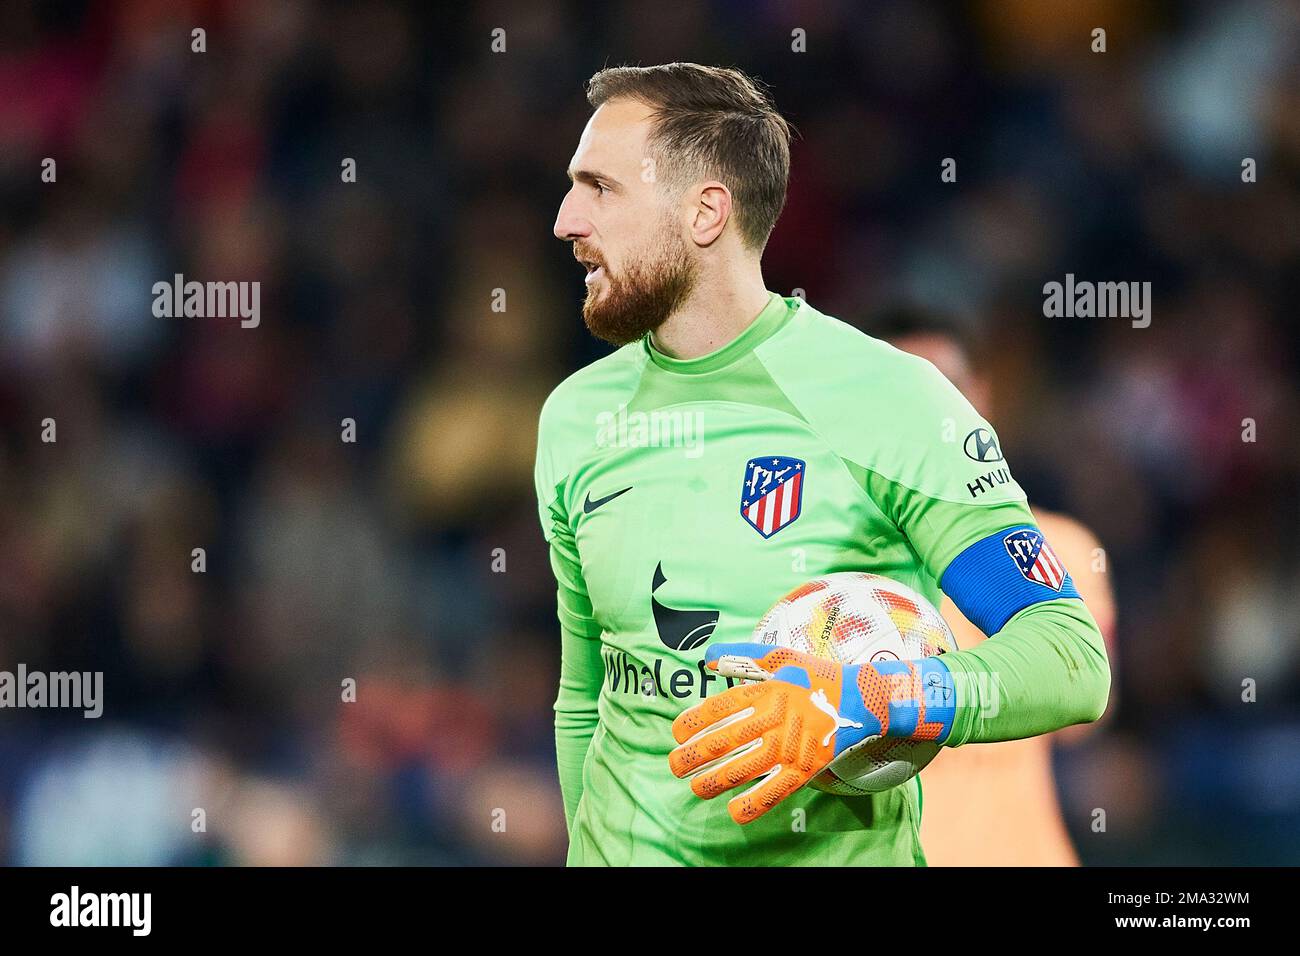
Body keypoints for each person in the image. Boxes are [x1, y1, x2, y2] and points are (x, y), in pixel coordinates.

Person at [535, 62, 1110, 866]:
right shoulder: (575, 417)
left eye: (599, 187)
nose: (565, 220)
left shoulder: (892, 400)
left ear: (705, 212)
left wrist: (874, 701)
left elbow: (1068, 658)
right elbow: (586, 699)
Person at [871, 304, 1117, 866]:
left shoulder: (1061, 546)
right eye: (904, 390)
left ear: (980, 394)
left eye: (947, 387)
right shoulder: (830, 567)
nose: (928, 412)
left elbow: (1087, 709)